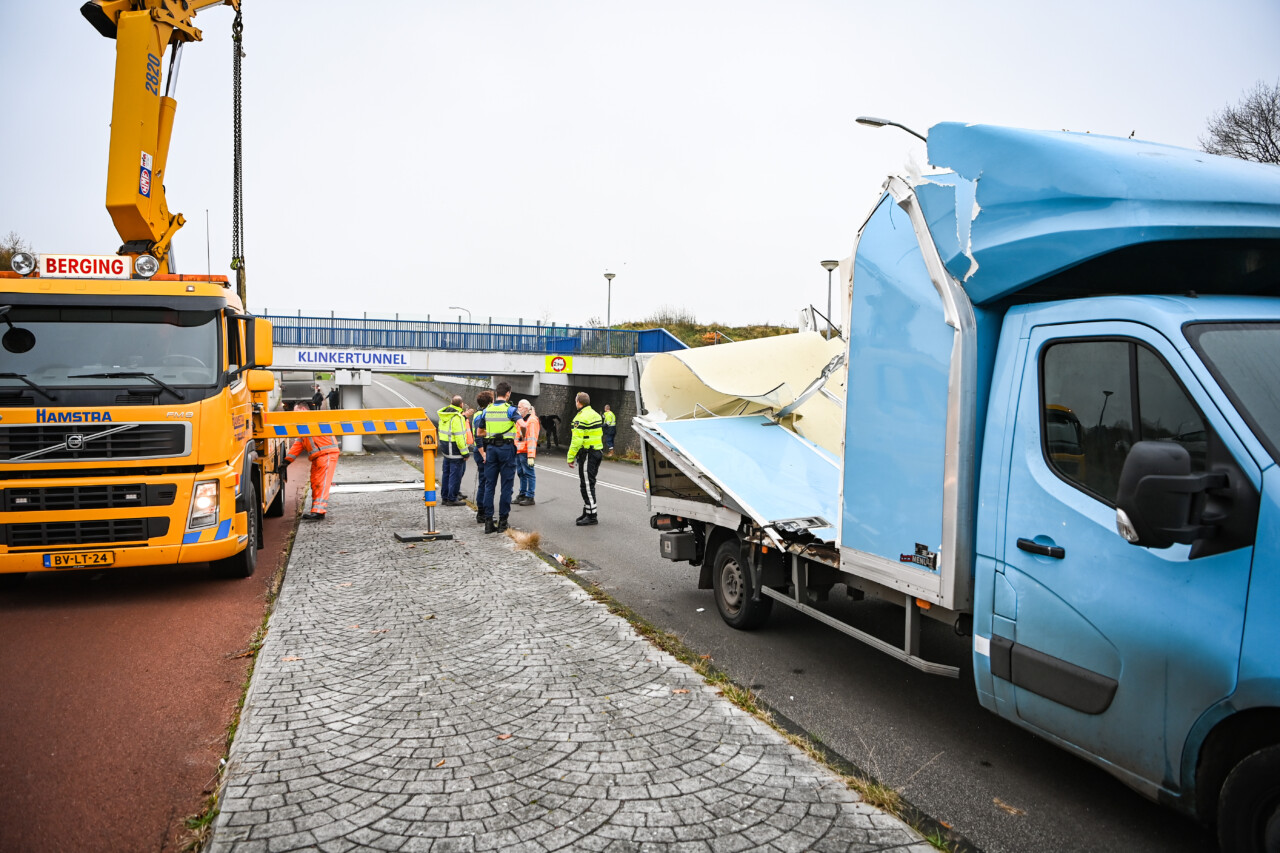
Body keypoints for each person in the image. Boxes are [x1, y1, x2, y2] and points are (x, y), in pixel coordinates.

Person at [475, 382, 520, 534]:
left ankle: (488, 522)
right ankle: (503, 522)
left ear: (496, 393)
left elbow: (479, 432)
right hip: (506, 449)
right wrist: (523, 435)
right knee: (506, 486)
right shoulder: (510, 410)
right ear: (508, 393)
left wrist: (492, 433)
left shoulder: (487, 410)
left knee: (489, 486)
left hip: (492, 449)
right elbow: (523, 424)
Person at [285, 403, 340, 521]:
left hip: (327, 454)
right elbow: (298, 444)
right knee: (316, 483)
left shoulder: (315, 419)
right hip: (318, 456)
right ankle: (316, 510)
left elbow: (299, 444)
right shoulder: (304, 426)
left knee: (322, 483)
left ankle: (319, 511)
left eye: (296, 412)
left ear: (304, 409)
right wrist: (286, 461)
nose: (295, 416)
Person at [567, 391, 604, 526]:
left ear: (578, 402)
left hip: (588, 454)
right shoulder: (595, 414)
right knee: (589, 483)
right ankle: (587, 511)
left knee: (586, 485)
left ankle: (592, 516)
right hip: (597, 451)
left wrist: (570, 457)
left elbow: (576, 441)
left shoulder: (580, 418)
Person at [437, 395, 470, 506]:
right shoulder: (457, 417)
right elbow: (460, 437)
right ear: (461, 404)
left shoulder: (444, 415)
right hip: (455, 450)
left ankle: (445, 497)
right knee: (455, 475)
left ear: (451, 403)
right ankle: (452, 498)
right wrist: (465, 452)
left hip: (446, 450)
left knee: (446, 474)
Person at [472, 391, 493, 524]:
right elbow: (478, 436)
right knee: (484, 483)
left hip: (482, 451)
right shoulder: (481, 416)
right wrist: (483, 453)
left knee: (484, 482)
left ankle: (483, 511)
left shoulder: (479, 413)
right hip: (482, 452)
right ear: (490, 402)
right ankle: (482, 513)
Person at [514, 399, 540, 506]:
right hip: (519, 450)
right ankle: (523, 494)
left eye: (519, 407)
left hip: (525, 452)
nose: (517, 409)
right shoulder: (522, 419)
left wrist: (531, 455)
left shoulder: (532, 420)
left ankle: (530, 496)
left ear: (525, 408)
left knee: (529, 474)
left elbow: (532, 439)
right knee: (521, 473)